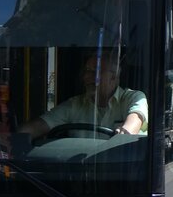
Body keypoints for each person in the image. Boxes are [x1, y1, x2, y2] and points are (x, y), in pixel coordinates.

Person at [19, 52, 147, 139]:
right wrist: (15, 137)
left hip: (121, 170)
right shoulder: (74, 105)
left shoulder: (134, 98)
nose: (86, 77)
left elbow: (132, 126)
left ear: (113, 77)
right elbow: (39, 126)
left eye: (95, 72)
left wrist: (124, 132)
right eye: (86, 71)